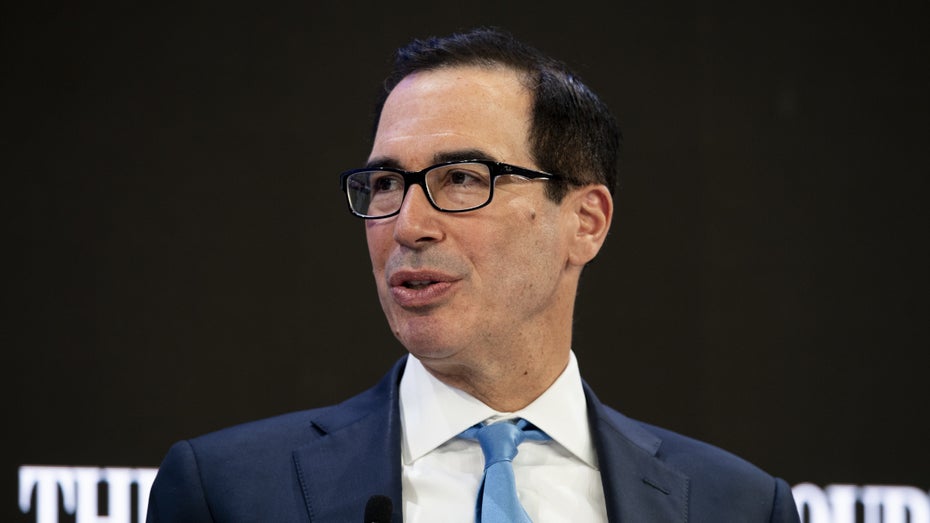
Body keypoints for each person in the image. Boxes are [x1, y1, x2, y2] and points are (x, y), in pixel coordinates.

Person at [146, 27, 801, 522]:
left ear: (585, 221)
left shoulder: (736, 505)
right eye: (385, 183)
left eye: (461, 178)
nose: (408, 224)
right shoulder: (228, 492)